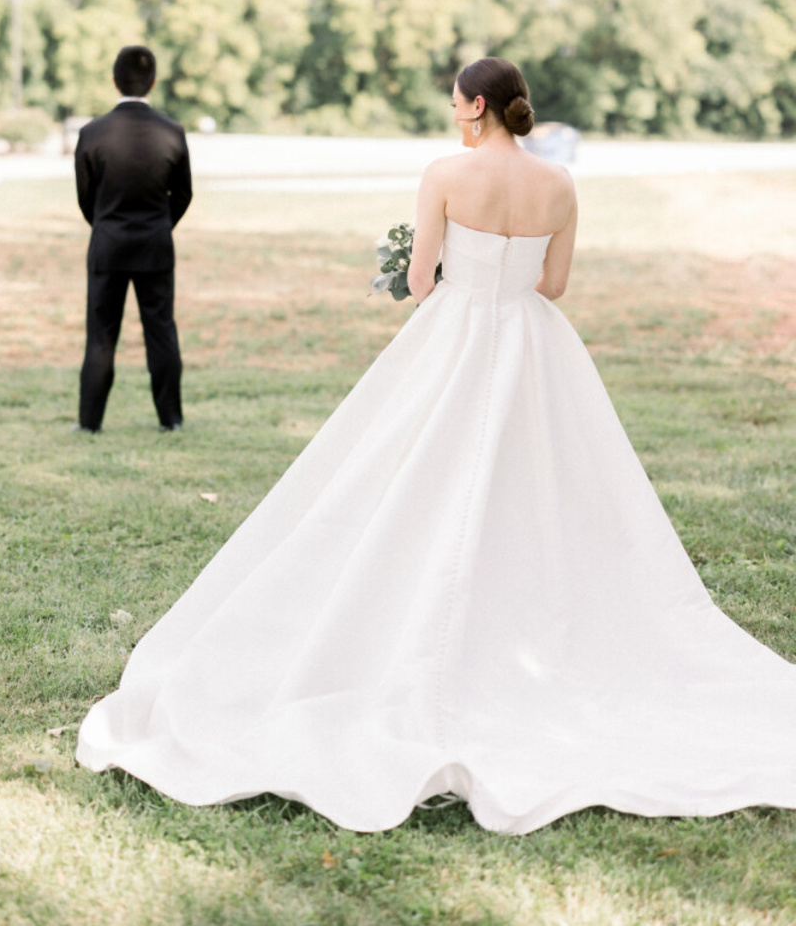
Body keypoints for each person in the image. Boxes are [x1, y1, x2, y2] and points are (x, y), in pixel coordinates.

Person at [76, 58, 796, 834]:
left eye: (456, 100)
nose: (452, 111)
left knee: (406, 476)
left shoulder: (446, 173)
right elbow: (554, 285)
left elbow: (423, 281)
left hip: (456, 339)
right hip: (532, 343)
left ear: (477, 104)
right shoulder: (560, 185)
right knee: (544, 485)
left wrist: (444, 266)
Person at [74, 46, 192, 434]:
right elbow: (184, 194)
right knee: (161, 332)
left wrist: (106, 224)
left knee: (101, 335)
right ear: (153, 81)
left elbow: (85, 196)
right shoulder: (172, 132)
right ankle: (170, 420)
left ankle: (90, 423)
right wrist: (159, 225)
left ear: (114, 80)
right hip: (156, 247)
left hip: (107, 245)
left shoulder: (92, 133)